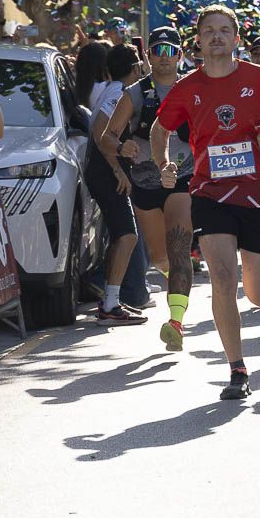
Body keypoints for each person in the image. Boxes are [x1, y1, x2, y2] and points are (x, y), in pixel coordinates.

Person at [153, 4, 260, 400]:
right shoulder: (187, 87)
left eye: (224, 30)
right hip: (210, 192)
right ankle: (237, 368)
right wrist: (163, 163)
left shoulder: (259, 77)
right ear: (198, 41)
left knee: (259, 295)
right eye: (209, 30)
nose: (216, 36)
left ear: (236, 38)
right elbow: (160, 130)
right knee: (222, 277)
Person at [101, 27, 195, 347]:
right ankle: (178, 289)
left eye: (171, 51)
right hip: (144, 181)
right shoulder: (135, 93)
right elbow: (108, 136)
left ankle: (176, 321)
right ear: (148, 55)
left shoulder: (193, 89)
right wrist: (122, 145)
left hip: (183, 178)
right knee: (159, 257)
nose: (164, 58)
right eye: (158, 51)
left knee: (179, 249)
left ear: (180, 56)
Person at [84, 43, 147, 326]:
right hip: (103, 169)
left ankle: (112, 299)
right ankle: (110, 304)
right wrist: (117, 170)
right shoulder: (119, 92)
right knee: (127, 235)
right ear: (135, 68)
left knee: (121, 234)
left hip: (104, 169)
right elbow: (100, 132)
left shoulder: (115, 90)